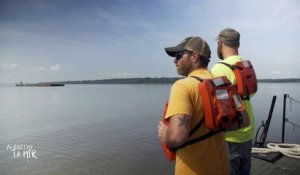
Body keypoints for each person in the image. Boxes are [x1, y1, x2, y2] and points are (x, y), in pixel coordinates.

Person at [157, 36, 229, 175]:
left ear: (194, 57)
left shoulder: (183, 86)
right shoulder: (220, 83)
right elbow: (243, 121)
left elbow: (177, 137)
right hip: (222, 167)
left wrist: (166, 135)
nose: (175, 60)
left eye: (178, 55)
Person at [211, 28, 256, 175]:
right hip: (248, 129)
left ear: (220, 43)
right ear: (237, 44)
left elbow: (216, 103)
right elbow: (250, 93)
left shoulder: (218, 68)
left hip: (231, 134)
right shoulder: (246, 65)